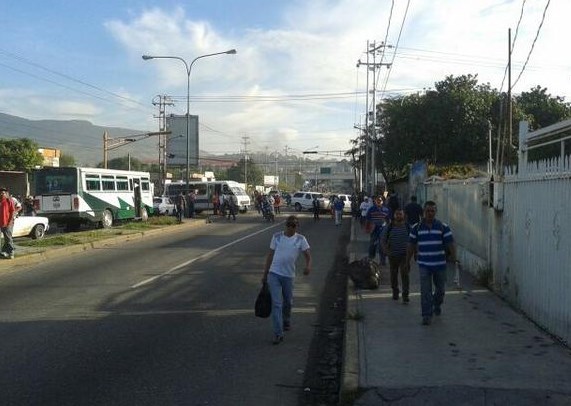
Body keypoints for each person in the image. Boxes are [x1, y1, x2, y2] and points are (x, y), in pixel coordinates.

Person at [406, 200, 459, 326]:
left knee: (440, 290)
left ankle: (437, 304)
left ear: (436, 212)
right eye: (428, 211)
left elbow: (450, 244)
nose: (430, 213)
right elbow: (411, 245)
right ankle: (426, 315)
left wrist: (455, 258)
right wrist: (407, 261)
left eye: (432, 211)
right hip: (424, 264)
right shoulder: (416, 228)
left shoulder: (443, 227)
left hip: (440, 265)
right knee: (425, 291)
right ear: (424, 212)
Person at [262, 215, 312, 344]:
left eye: (293, 225)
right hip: (274, 274)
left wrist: (308, 266)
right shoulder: (277, 237)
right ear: (286, 225)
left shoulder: (301, 239)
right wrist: (265, 274)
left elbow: (308, 256)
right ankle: (278, 333)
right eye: (289, 224)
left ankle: (286, 320)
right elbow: (270, 256)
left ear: (297, 226)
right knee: (277, 304)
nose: (290, 227)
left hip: (288, 276)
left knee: (288, 302)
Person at [381, 208, 410, 303]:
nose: (398, 216)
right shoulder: (389, 227)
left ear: (403, 215)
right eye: (397, 214)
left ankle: (405, 295)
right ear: (394, 216)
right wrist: (386, 251)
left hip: (404, 256)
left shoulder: (407, 226)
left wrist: (414, 253)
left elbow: (413, 241)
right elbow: (383, 240)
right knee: (393, 275)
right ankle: (395, 291)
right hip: (392, 255)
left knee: (404, 274)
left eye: (400, 214)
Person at [365, 196, 391, 265]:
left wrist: (389, 230)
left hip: (383, 230)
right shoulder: (371, 209)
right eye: (377, 200)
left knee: (382, 246)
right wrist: (367, 228)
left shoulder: (386, 210)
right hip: (374, 229)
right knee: (372, 244)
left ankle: (382, 261)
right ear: (375, 201)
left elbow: (389, 220)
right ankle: (370, 259)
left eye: (380, 200)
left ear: (382, 201)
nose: (379, 201)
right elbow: (367, 219)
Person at [0, 188, 17, 260]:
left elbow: (13, 211)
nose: (1, 194)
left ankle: (11, 252)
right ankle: (4, 252)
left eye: (3, 193)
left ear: (6, 193)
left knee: (8, 238)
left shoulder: (9, 200)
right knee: (5, 239)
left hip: (7, 223)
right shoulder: (0, 201)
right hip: (1, 223)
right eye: (0, 193)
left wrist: (9, 222)